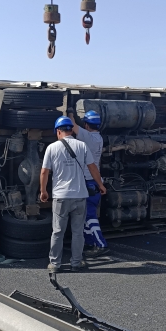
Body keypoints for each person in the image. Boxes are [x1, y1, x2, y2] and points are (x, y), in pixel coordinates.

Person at [40, 116, 107, 272]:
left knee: (57, 232)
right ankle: (76, 263)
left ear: (58, 131)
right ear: (71, 130)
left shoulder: (52, 148)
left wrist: (43, 191)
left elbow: (44, 172)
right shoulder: (82, 146)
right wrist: (100, 185)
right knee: (78, 232)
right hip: (79, 196)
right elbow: (92, 168)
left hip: (61, 197)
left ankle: (55, 264)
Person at [67, 109, 110, 258]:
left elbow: (72, 126)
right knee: (85, 215)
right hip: (94, 181)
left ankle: (100, 244)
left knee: (89, 215)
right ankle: (90, 243)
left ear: (86, 124)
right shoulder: (98, 138)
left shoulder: (87, 136)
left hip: (87, 181)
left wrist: (71, 114)